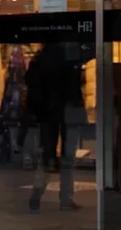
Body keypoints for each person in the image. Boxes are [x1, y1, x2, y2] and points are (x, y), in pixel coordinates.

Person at [25, 43, 85, 211]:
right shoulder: (70, 55)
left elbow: (30, 81)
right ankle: (66, 198)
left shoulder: (40, 58)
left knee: (47, 155)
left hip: (47, 113)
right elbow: (75, 85)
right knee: (68, 157)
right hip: (67, 110)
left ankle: (36, 194)